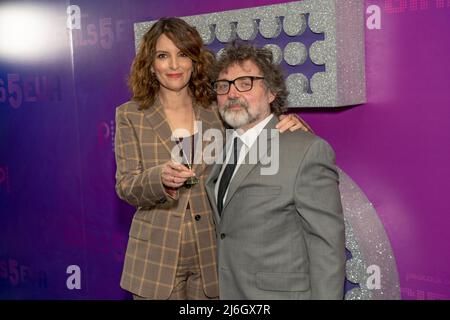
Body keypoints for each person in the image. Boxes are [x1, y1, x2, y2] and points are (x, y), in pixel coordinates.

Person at [114, 18, 308, 300]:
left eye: (182, 54)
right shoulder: (130, 114)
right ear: (150, 62)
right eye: (163, 56)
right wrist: (159, 178)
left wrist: (296, 128)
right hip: (155, 258)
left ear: (195, 60)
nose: (173, 65)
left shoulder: (216, 109)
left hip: (212, 252)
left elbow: (259, 135)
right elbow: (126, 185)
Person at [205, 43, 346, 299]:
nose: (232, 93)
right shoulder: (221, 149)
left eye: (245, 82)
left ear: (271, 92)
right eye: (223, 85)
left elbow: (327, 248)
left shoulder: (307, 150)